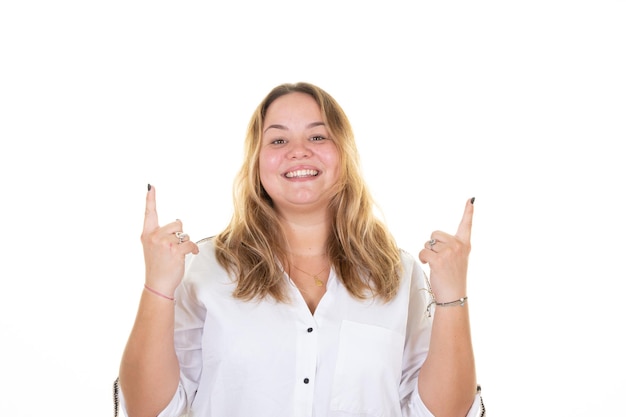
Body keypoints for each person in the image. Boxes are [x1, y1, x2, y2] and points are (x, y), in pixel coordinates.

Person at [116, 82, 485, 417]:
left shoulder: (399, 273)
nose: (298, 152)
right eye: (278, 141)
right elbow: (150, 410)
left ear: (344, 153)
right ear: (256, 162)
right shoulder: (204, 268)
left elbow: (441, 413)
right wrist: (157, 287)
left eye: (318, 137)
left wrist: (452, 296)